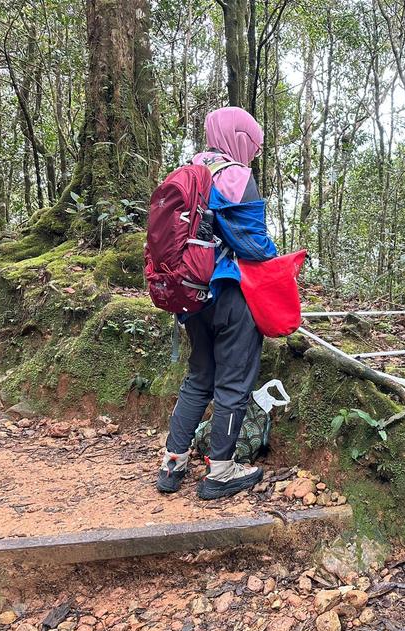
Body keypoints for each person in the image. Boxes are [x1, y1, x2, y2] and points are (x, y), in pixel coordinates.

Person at [156, 106, 267, 500]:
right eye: (251, 142)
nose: (253, 151)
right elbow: (254, 243)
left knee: (198, 377)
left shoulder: (186, 171)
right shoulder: (236, 176)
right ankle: (221, 470)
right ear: (239, 138)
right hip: (230, 295)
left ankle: (173, 462)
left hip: (190, 297)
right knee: (232, 382)